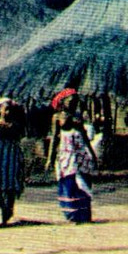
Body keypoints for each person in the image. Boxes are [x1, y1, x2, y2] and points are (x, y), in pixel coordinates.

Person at [45, 88, 97, 223]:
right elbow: (54, 138)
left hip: (80, 152)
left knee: (83, 181)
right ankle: (72, 215)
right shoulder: (57, 117)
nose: (74, 102)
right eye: (71, 100)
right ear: (64, 101)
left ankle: (84, 214)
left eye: (75, 100)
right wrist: (50, 159)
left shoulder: (78, 116)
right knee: (69, 181)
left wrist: (92, 154)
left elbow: (85, 137)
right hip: (66, 153)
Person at [0, 96, 27, 225]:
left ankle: (9, 210)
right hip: (1, 154)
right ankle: (3, 211)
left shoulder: (15, 125)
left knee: (11, 182)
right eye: (5, 109)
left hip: (12, 154)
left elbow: (20, 135)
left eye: (9, 109)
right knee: (1, 183)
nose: (7, 112)